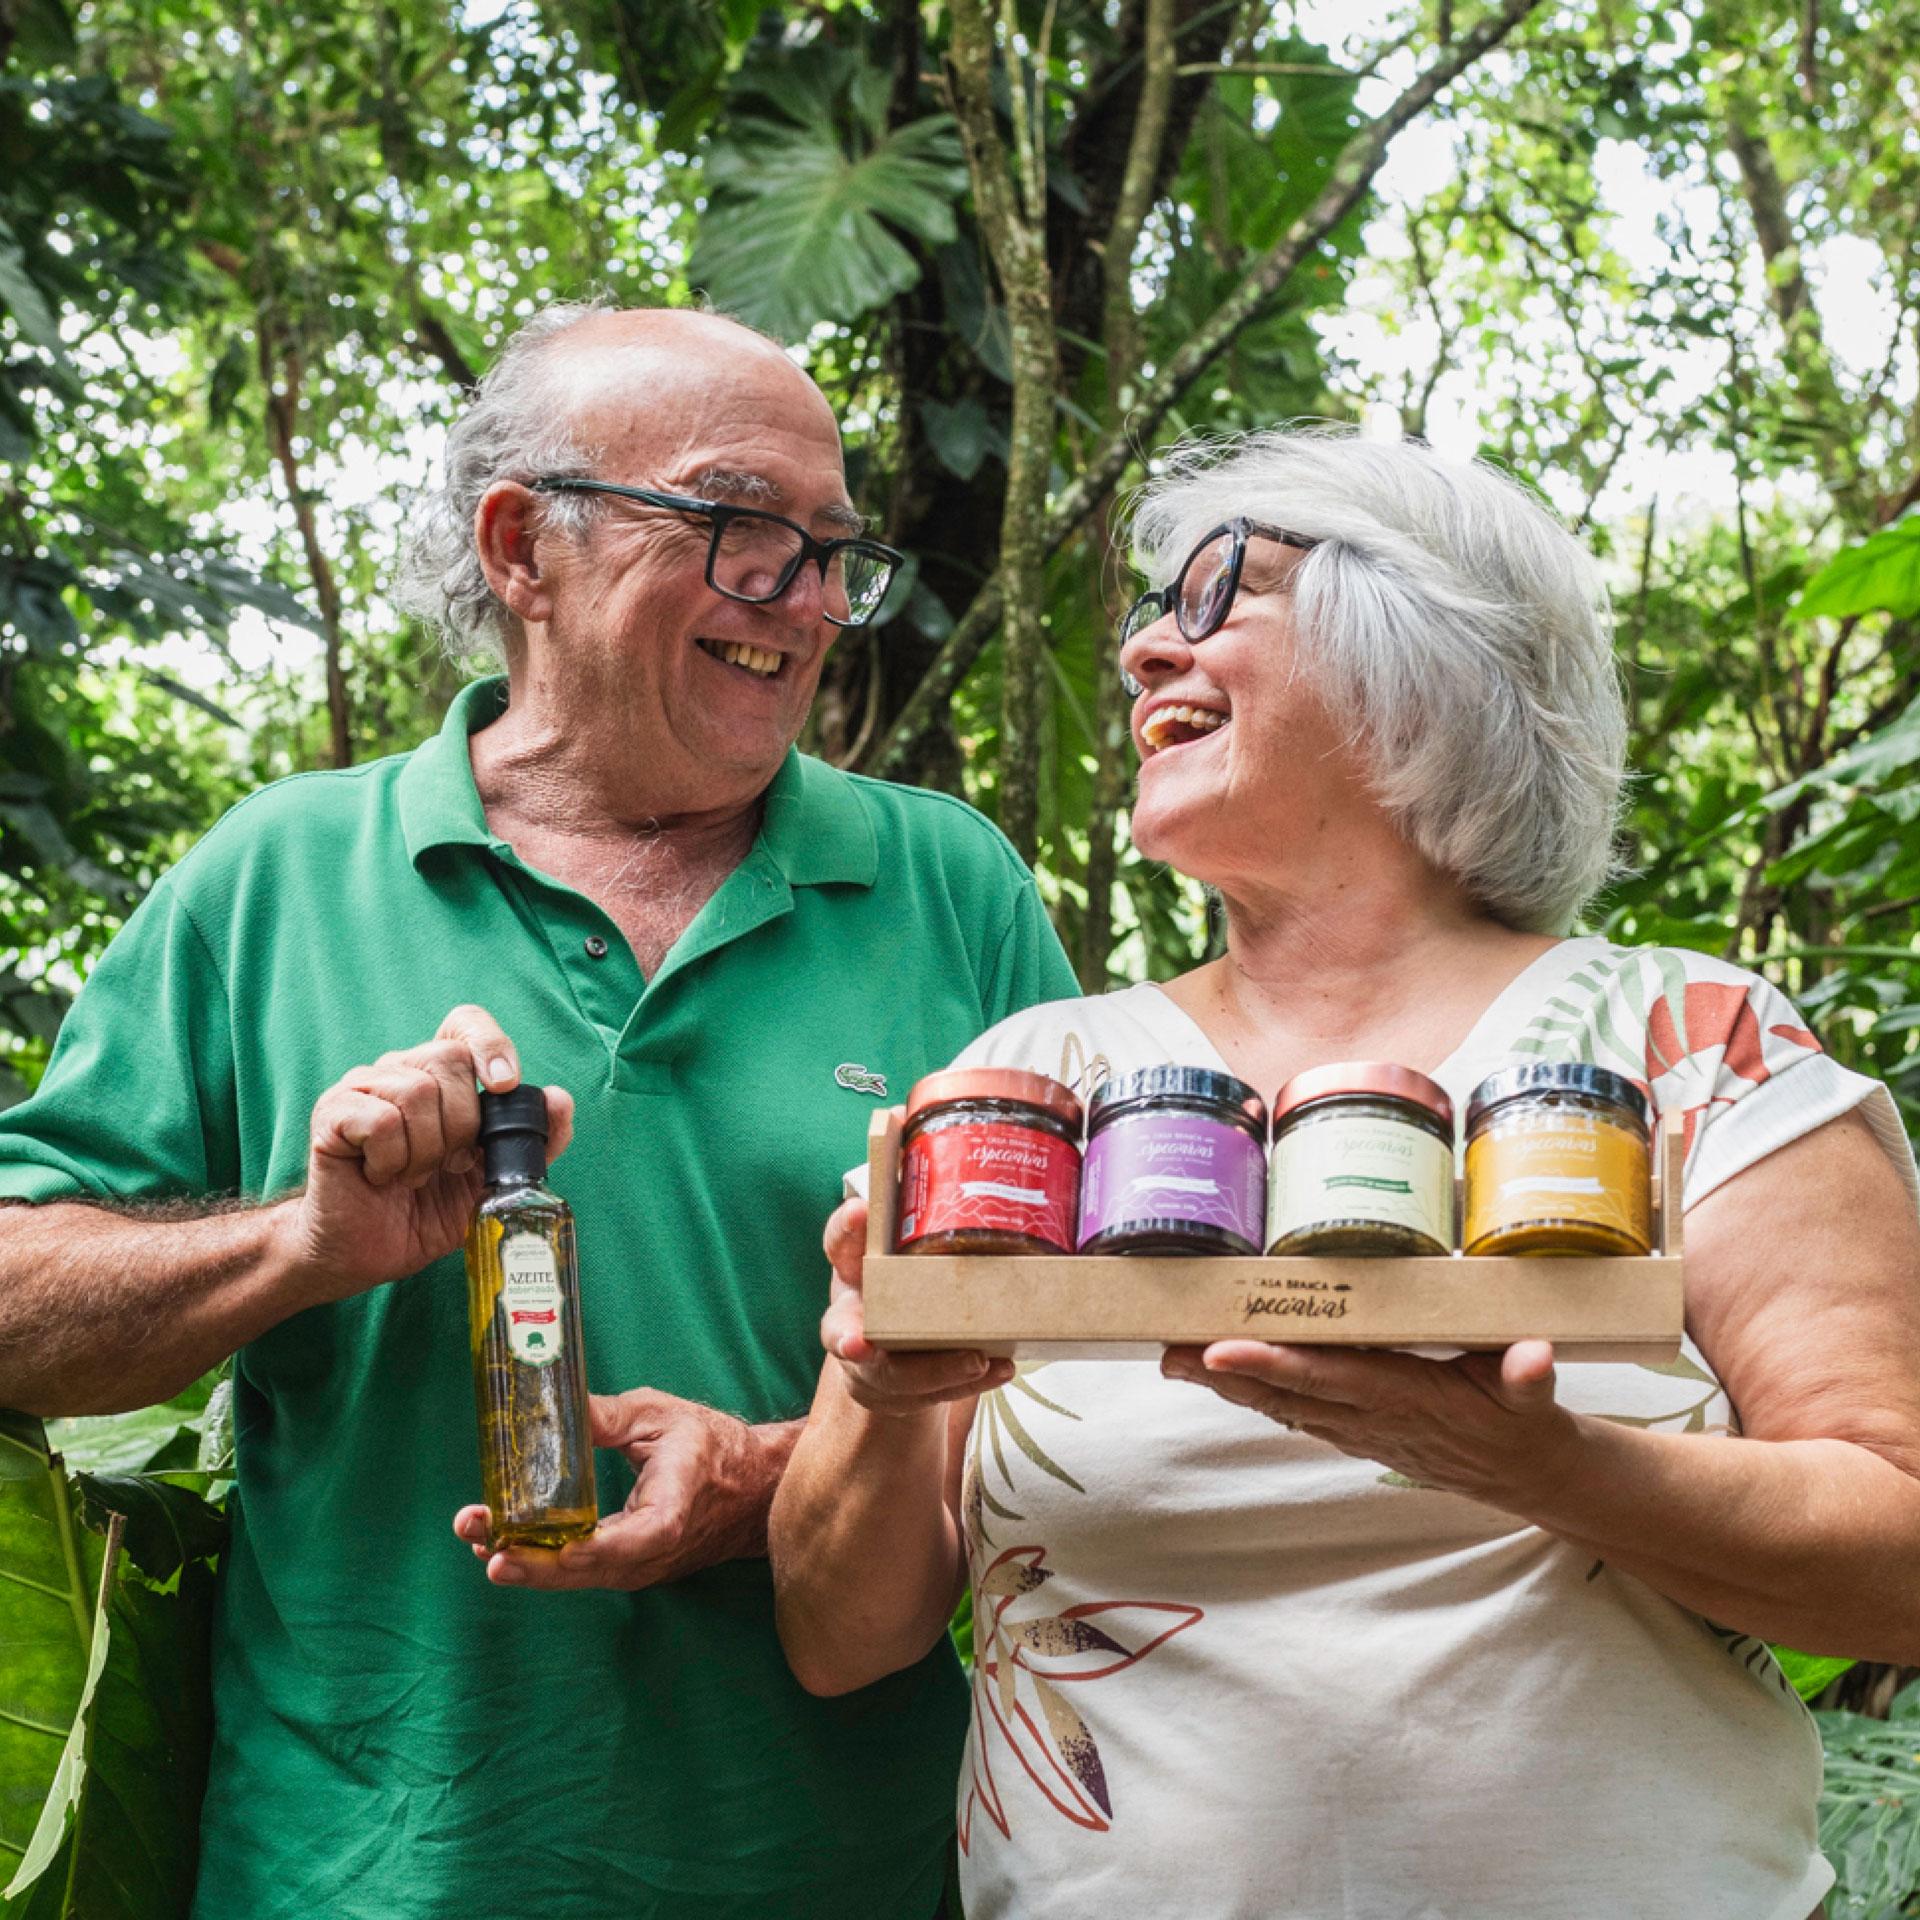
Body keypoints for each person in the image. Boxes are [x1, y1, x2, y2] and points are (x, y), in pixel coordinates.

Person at [0, 302, 1077, 1919]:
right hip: (364, 1874)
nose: (807, 600)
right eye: (738, 529)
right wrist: (297, 1246)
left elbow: (1097, 1360)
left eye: (831, 547)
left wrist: (777, 1476)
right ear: (523, 546)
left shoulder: (952, 885)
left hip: (848, 1870)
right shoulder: (275, 877)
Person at [769, 426, 1920, 1920]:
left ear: (1418, 643)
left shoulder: (1693, 1041)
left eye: (1207, 598)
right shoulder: (1032, 1084)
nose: (1137, 655)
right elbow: (839, 1637)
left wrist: (1541, 1468)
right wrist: (873, 1389)